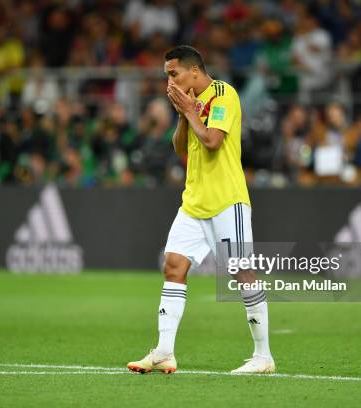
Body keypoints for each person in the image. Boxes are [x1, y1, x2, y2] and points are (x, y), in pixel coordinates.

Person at [127, 45, 274, 374]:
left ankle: (263, 356)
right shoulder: (189, 103)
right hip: (194, 201)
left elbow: (212, 141)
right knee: (173, 266)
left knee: (241, 273)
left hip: (226, 200)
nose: (170, 82)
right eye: (167, 75)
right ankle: (164, 351)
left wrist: (192, 111)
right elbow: (180, 147)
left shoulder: (224, 95)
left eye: (173, 74)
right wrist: (183, 114)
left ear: (194, 72)